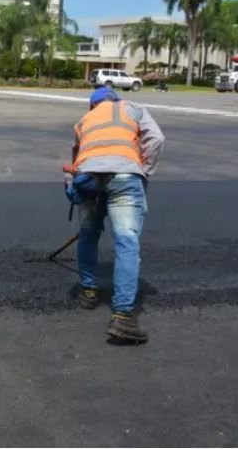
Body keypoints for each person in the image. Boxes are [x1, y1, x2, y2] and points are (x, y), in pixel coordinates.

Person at [65, 86, 165, 343]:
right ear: (116, 100)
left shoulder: (83, 120)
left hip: (88, 178)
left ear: (93, 106)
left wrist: (74, 188)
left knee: (88, 234)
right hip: (124, 177)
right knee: (126, 241)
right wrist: (143, 171)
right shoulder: (133, 108)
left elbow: (75, 160)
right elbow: (156, 139)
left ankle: (88, 291)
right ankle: (122, 317)